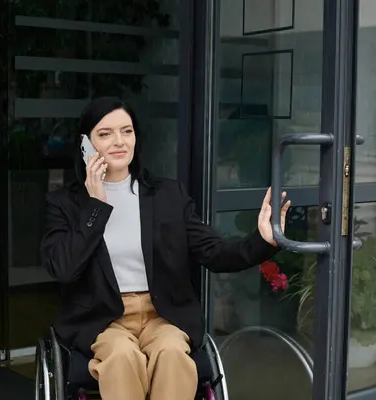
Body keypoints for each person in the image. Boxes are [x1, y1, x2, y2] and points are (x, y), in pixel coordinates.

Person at [40, 96, 291, 400]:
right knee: (121, 357)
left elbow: (215, 253)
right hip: (104, 321)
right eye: (105, 134)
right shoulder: (66, 204)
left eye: (127, 131)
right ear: (86, 145)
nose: (119, 141)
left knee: (172, 353)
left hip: (163, 315)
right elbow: (63, 268)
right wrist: (96, 206)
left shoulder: (167, 195)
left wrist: (263, 239)